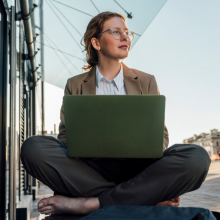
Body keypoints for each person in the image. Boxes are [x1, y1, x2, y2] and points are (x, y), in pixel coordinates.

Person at [20, 11, 211, 216]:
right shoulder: (75, 84)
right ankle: (142, 199)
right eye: (116, 32)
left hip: (138, 169)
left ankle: (90, 204)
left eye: (127, 32)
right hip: (89, 170)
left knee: (196, 157)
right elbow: (66, 137)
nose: (125, 37)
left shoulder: (146, 81)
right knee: (33, 148)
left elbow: (160, 136)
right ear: (96, 43)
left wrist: (144, 148)